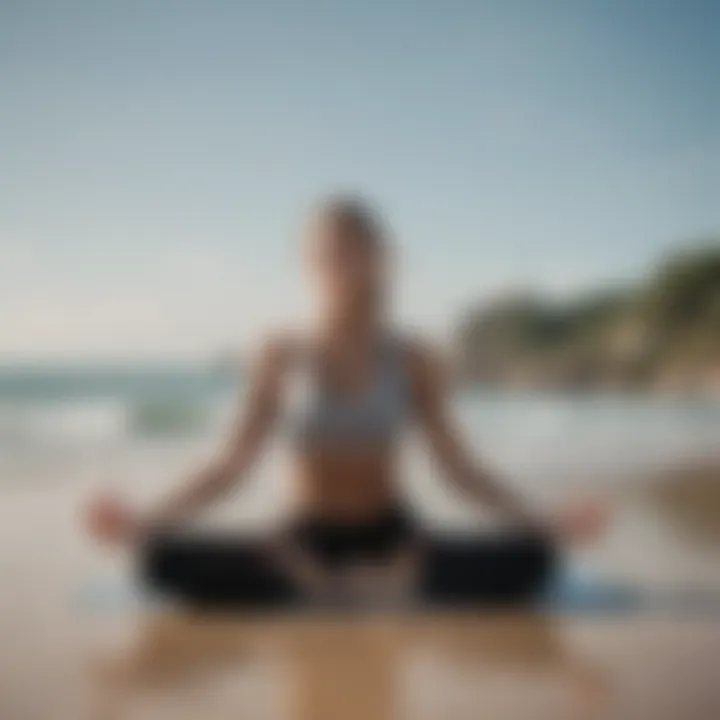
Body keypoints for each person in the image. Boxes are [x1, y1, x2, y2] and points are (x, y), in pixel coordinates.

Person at [85, 195, 607, 610]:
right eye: (324, 250)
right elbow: (228, 466)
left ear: (379, 259)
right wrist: (145, 519)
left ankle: (356, 584)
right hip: (301, 541)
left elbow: (461, 470)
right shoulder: (279, 352)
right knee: (155, 561)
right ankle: (335, 584)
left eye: (351, 248)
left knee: (536, 561)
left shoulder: (413, 356)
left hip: (392, 539)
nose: (337, 261)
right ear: (306, 261)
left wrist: (544, 521)